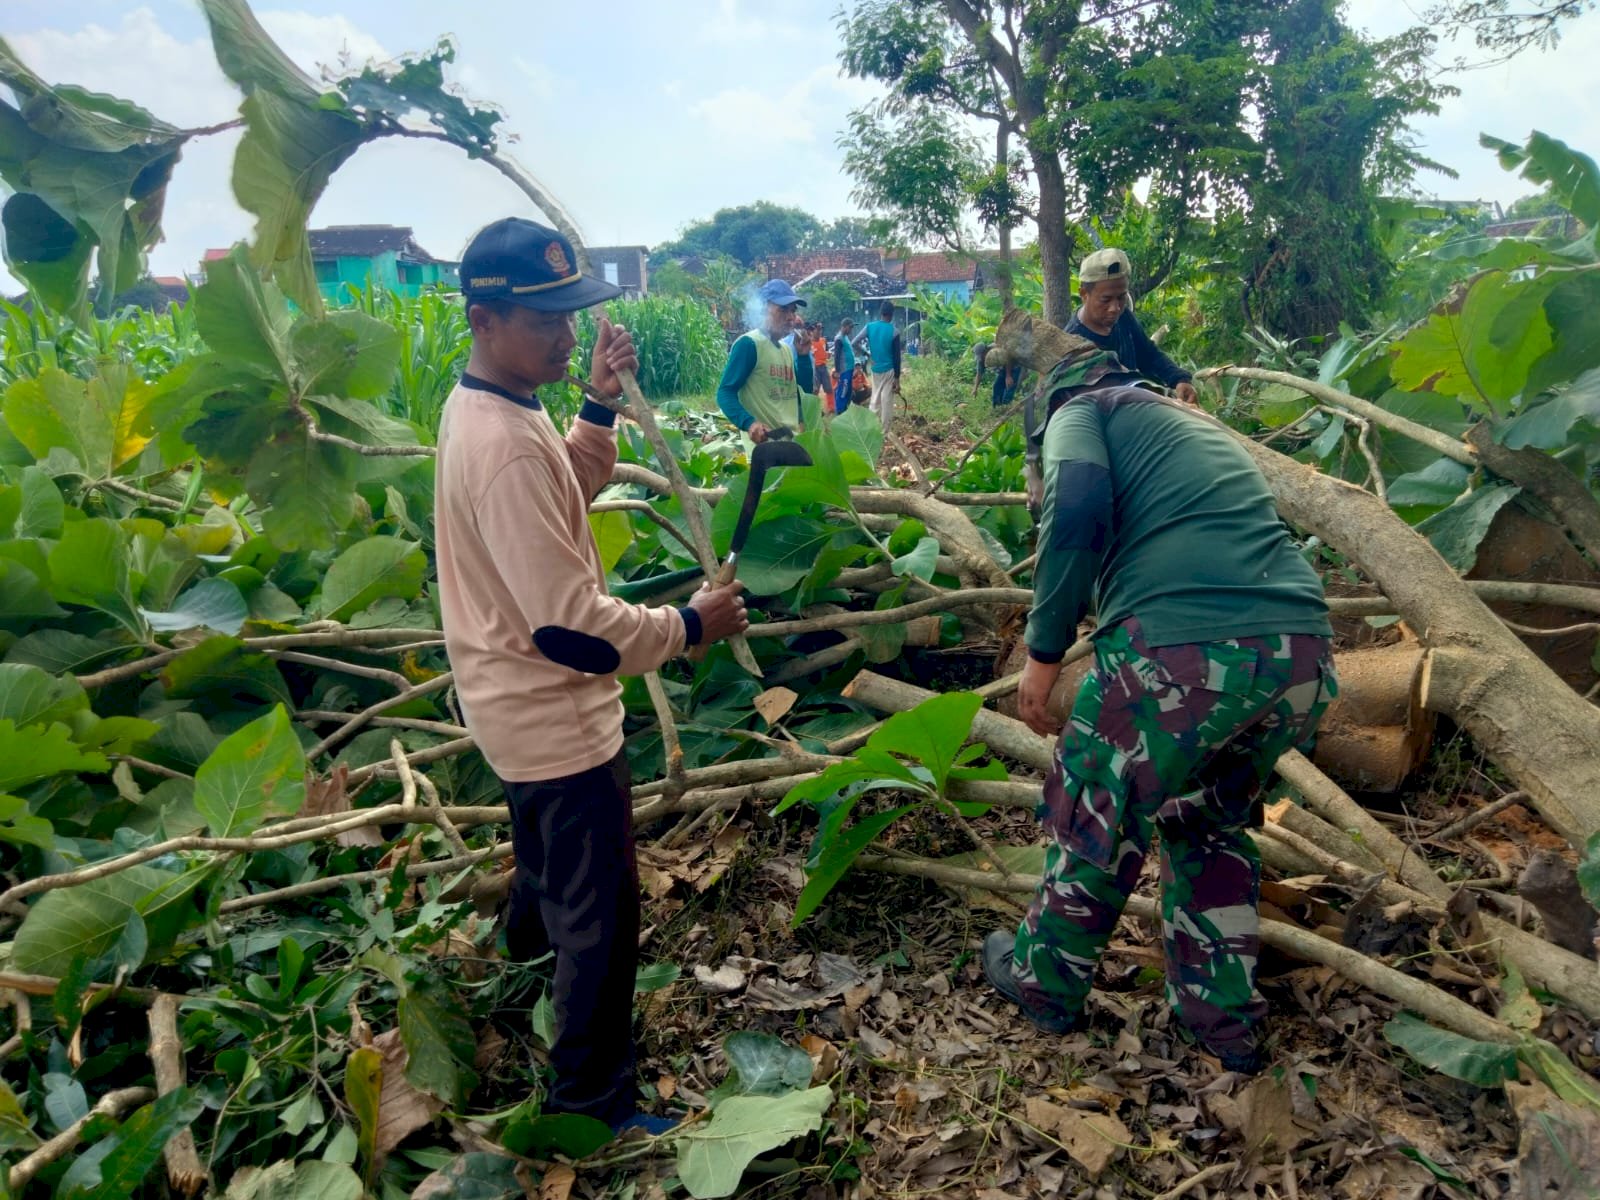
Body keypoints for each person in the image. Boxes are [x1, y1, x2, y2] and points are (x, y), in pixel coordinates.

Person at [434, 217, 750, 1135]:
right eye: (548, 322)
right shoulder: (496, 443)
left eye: (573, 317)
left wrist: (599, 406)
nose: (570, 338)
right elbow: (571, 632)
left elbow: (559, 491)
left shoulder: (498, 407)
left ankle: (511, 987)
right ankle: (590, 1103)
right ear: (484, 317)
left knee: (544, 869)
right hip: (552, 714)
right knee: (601, 920)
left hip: (509, 707)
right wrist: (691, 624)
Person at [981, 335, 1337, 1076]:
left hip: (1180, 653)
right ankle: (1222, 1021)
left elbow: (1075, 509)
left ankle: (1044, 982)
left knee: (1094, 804)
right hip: (1300, 654)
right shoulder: (1193, 429)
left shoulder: (1083, 408)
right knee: (1209, 823)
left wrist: (1042, 657)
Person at [1065, 249, 1197, 405]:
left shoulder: (1123, 317)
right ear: (1084, 294)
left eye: (1121, 297)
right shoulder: (1074, 342)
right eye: (1105, 300)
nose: (1115, 308)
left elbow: (1148, 354)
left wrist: (1179, 379)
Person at [715, 279, 807, 442]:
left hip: (790, 445)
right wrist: (749, 423)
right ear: (764, 308)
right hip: (764, 450)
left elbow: (801, 396)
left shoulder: (786, 349)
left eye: (793, 311)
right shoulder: (749, 344)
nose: (790, 317)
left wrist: (804, 357)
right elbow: (725, 392)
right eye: (783, 309)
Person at [861, 300, 902, 427]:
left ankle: (870, 427)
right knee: (886, 400)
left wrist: (868, 354)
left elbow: (854, 342)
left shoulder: (869, 327)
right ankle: (885, 431)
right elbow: (897, 357)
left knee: (875, 398)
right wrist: (897, 378)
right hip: (889, 370)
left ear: (881, 313)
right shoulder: (894, 331)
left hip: (875, 368)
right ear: (891, 314)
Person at [832, 317, 857, 414]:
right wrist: (837, 371)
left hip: (849, 369)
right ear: (844, 327)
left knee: (848, 391)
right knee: (843, 391)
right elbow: (836, 356)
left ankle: (845, 409)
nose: (851, 330)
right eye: (850, 327)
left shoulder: (845, 337)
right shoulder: (839, 339)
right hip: (844, 370)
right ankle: (840, 411)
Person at [810, 323, 833, 411]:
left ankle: (831, 407)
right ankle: (816, 409)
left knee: (829, 388)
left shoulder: (823, 340)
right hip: (815, 368)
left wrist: (828, 355)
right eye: (817, 329)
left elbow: (825, 352)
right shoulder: (809, 342)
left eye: (821, 329)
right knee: (815, 390)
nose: (820, 331)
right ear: (812, 331)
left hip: (823, 367)